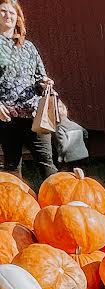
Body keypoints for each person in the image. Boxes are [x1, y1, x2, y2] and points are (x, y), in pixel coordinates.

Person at [0, 0, 56, 181]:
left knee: (47, 163)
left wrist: (45, 83)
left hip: (33, 115)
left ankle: (59, 205)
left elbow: (40, 77)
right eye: (3, 11)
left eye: (12, 13)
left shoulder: (29, 47)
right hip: (6, 116)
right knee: (12, 166)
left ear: (18, 19)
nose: (8, 15)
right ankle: (14, 209)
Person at [51, 102, 88, 167]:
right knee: (82, 173)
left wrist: (60, 157)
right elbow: (85, 134)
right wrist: (83, 143)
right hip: (83, 154)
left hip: (70, 158)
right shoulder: (76, 125)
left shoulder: (60, 128)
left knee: (70, 174)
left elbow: (64, 145)